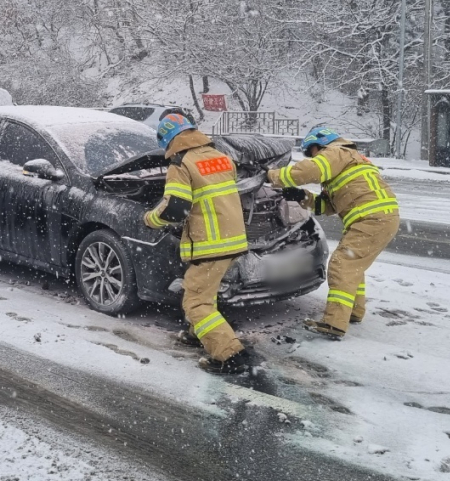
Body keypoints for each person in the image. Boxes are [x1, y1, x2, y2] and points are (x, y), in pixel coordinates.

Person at [144, 113, 252, 374]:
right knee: (205, 292)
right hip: (233, 239)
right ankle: (197, 334)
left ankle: (230, 355)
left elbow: (175, 209)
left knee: (195, 302)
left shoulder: (181, 163)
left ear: (168, 139)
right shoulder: (221, 157)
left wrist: (150, 219)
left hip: (209, 244)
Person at [268, 127, 400, 339]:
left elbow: (308, 171)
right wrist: (302, 196)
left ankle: (334, 323)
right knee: (353, 265)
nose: (312, 157)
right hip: (379, 218)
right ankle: (353, 311)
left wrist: (272, 175)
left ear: (319, 144)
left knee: (342, 264)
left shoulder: (337, 151)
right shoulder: (347, 160)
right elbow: (327, 206)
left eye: (311, 152)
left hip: (372, 218)